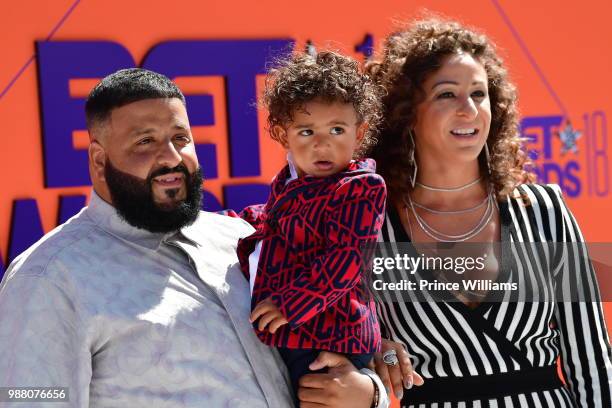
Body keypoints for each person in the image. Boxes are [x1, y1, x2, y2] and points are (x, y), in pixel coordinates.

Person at [0, 68, 388, 408]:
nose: (171, 157)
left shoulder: (244, 237)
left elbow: (346, 317)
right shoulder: (49, 278)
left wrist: (370, 391)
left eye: (180, 138)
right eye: (144, 141)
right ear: (99, 161)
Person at [365, 18, 612, 407]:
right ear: (406, 111)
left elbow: (592, 358)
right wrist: (375, 349)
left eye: (479, 94)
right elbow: (344, 339)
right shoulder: (370, 226)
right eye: (447, 95)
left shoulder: (543, 209)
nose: (469, 110)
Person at [234, 50, 386, 401]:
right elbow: (279, 222)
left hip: (331, 336)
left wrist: (292, 304)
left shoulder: (361, 188)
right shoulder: (290, 181)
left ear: (359, 132)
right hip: (296, 332)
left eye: (337, 129)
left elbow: (346, 260)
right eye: (306, 131)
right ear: (284, 135)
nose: (322, 143)